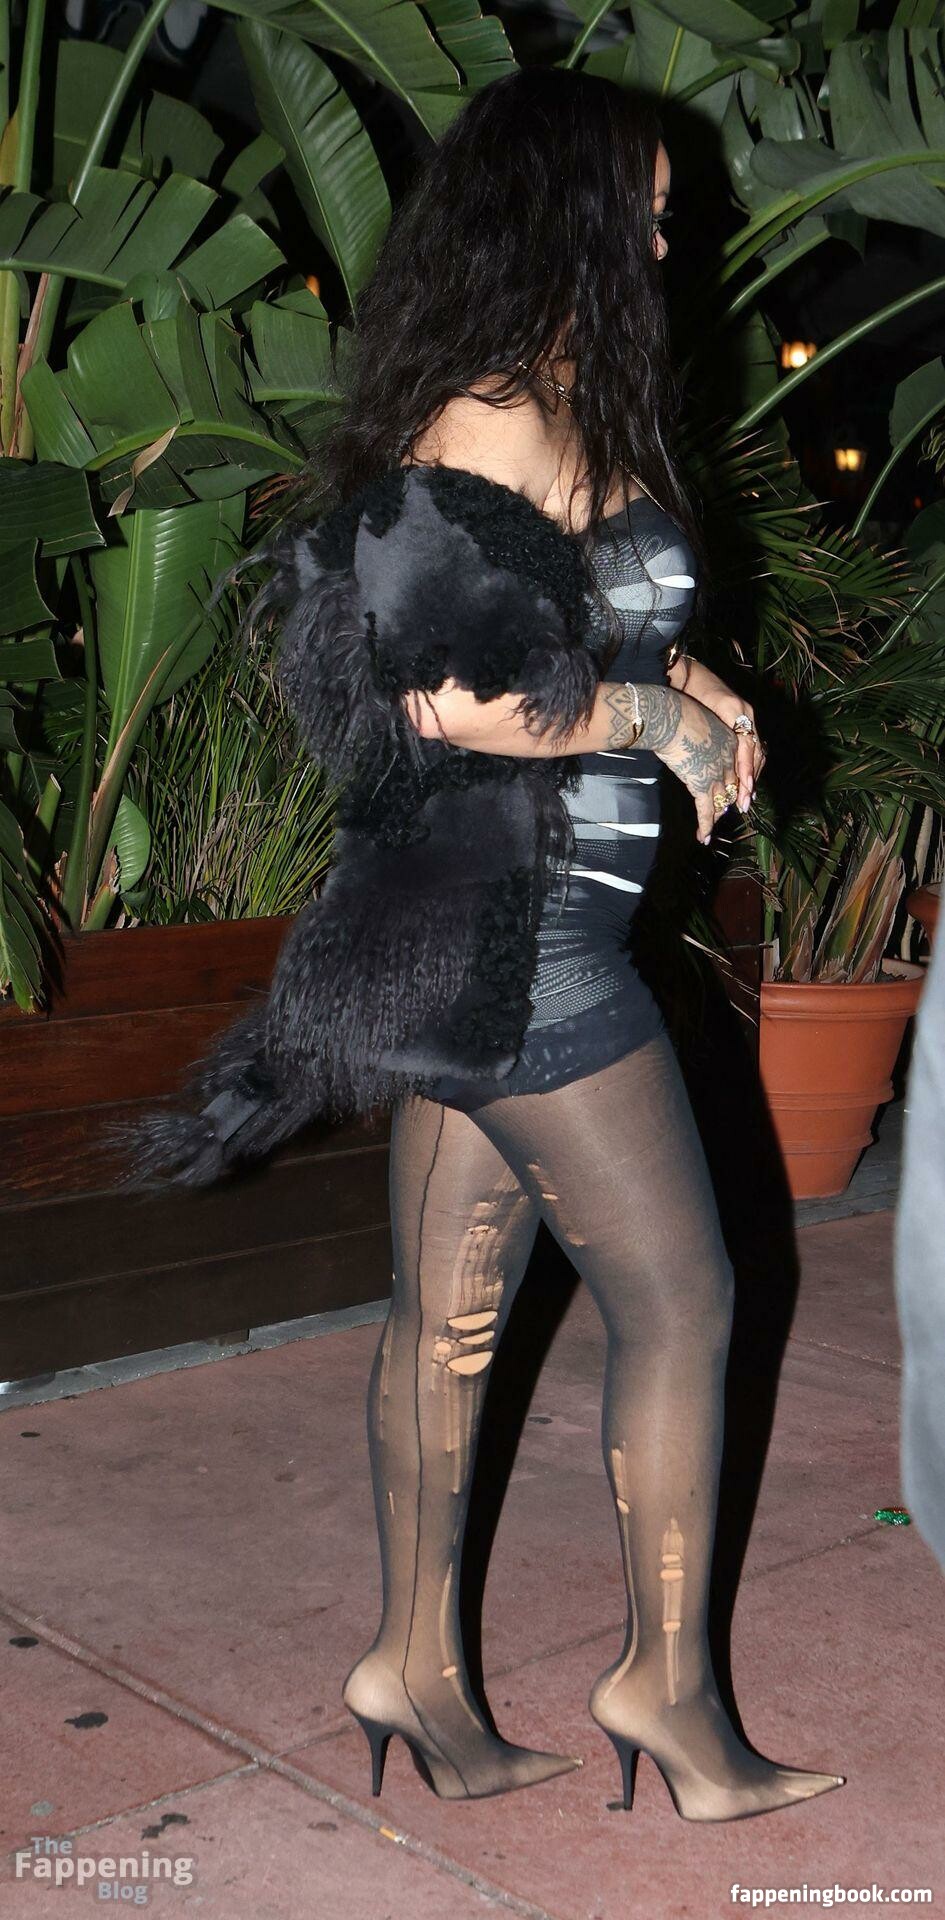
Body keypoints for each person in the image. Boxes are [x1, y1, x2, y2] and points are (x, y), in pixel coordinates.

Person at [124, 67, 847, 1822]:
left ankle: (413, 1668)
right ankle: (665, 1696)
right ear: (560, 219)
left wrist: (704, 688)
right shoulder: (479, 425)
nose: (668, 243)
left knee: (447, 1324)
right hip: (527, 943)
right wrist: (651, 725)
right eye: (645, 217)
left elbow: (590, 624)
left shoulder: (579, 408)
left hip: (509, 937)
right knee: (684, 1301)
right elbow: (447, 699)